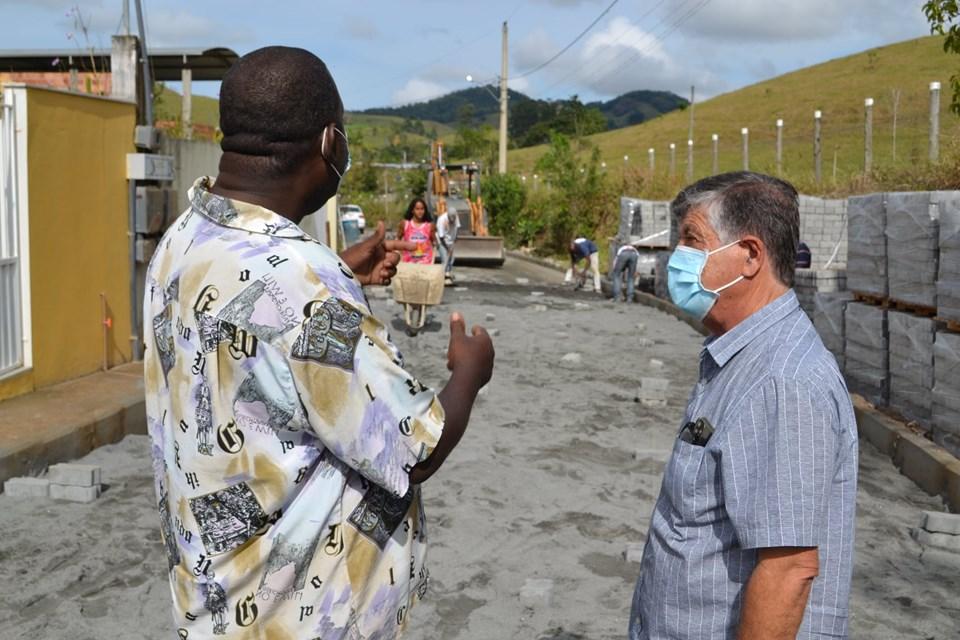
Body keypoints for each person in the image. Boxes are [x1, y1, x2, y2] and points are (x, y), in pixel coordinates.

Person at [143, 46, 495, 640]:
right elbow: (414, 452)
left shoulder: (185, 237)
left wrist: (338, 273)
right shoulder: (303, 283)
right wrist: (468, 374)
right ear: (331, 143)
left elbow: (257, 333)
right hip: (295, 621)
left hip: (211, 602)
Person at [629, 172, 858, 639]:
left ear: (750, 255)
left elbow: (789, 569)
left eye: (693, 241)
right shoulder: (739, 357)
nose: (678, 259)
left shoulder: (782, 381)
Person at [396, 197, 436, 264]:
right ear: (412, 210)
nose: (420, 211)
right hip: (408, 264)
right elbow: (397, 241)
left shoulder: (429, 226)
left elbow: (434, 244)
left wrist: (432, 260)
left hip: (425, 264)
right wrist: (399, 256)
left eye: (422, 209)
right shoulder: (405, 224)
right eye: (417, 209)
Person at [435, 205, 460, 284]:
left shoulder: (456, 217)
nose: (452, 221)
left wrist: (455, 238)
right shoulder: (441, 220)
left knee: (452, 258)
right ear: (448, 216)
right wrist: (447, 248)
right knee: (445, 258)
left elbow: (457, 227)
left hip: (451, 241)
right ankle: (442, 276)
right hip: (441, 241)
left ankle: (448, 273)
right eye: (451, 220)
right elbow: (441, 236)